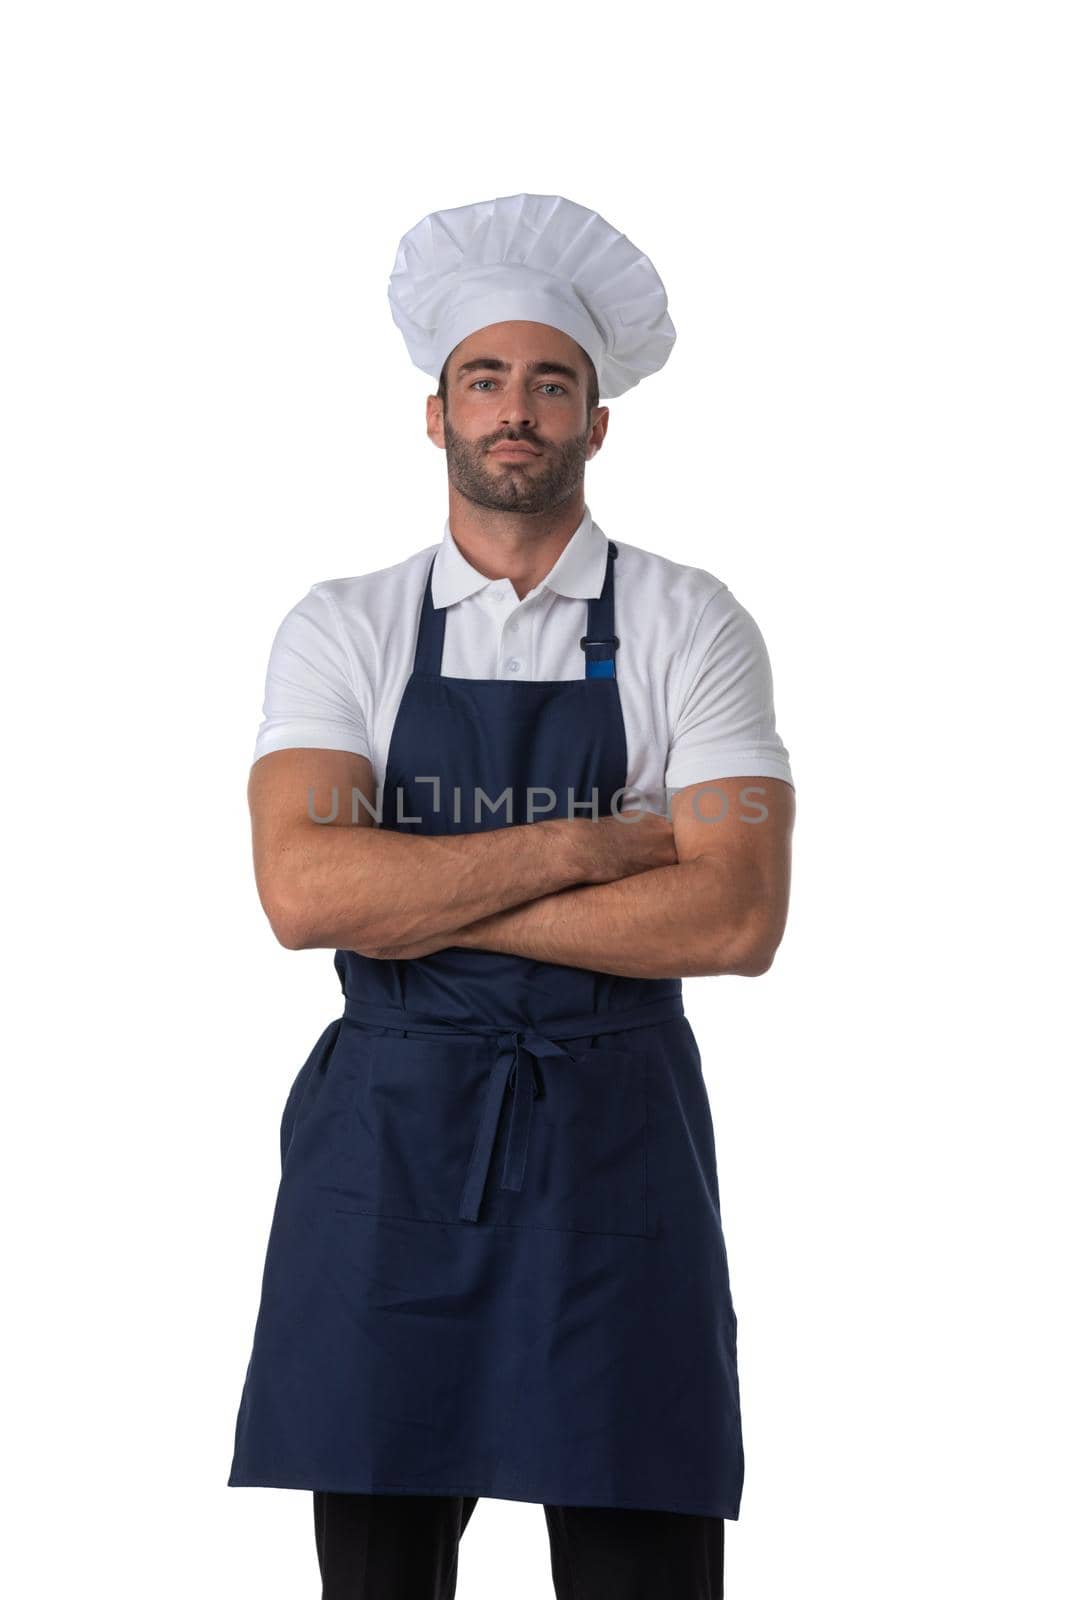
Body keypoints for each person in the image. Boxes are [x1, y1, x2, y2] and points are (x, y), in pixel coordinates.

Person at [227, 192, 795, 1599]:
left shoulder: (690, 623)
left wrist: (410, 894)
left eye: (553, 383)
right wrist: (594, 844)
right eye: (485, 379)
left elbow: (734, 917)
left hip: (615, 1146)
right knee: (376, 1574)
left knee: (640, 1569)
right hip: (390, 1152)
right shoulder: (340, 628)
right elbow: (303, 894)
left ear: (599, 422)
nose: (517, 409)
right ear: (437, 416)